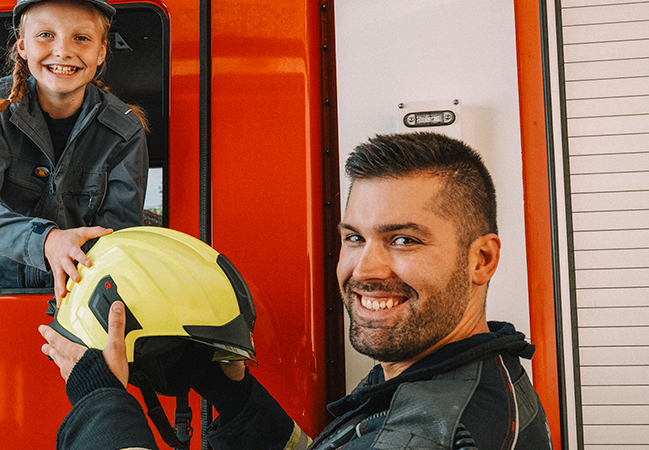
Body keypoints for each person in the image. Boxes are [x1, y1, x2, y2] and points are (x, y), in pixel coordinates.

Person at [38, 132, 553, 449]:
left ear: (481, 259)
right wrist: (236, 399)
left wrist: (99, 403)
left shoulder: (429, 429)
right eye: (353, 238)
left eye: (403, 239)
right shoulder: (454, 380)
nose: (364, 268)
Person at [0, 0, 148, 295]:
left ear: (100, 52)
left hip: (80, 299)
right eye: (46, 35)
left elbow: (119, 238)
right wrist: (46, 241)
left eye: (81, 38)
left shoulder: (125, 130)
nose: (63, 51)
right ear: (23, 46)